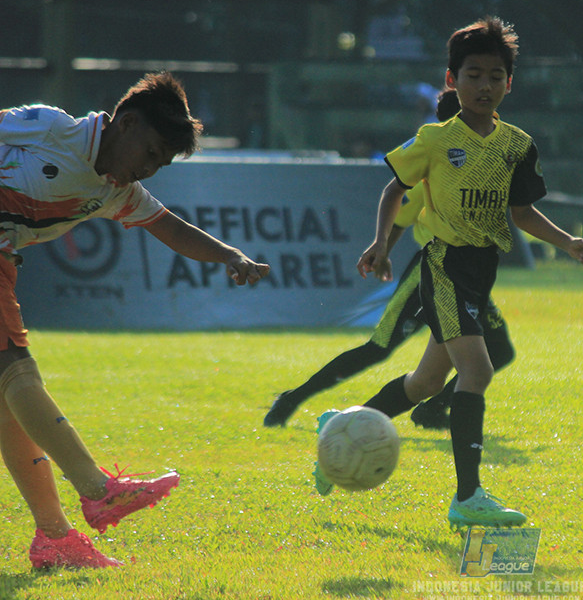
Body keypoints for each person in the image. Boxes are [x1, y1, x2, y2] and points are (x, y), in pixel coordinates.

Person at [0, 72, 269, 569]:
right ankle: (98, 490)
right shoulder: (49, 127)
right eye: (149, 153)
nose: (148, 169)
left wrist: (230, 255)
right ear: (125, 124)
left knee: (11, 405)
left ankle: (55, 539)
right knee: (14, 370)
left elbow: (171, 228)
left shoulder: (116, 191)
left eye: (160, 164)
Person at [355, 17, 583, 528]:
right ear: (452, 80)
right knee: (479, 370)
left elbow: (522, 213)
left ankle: (348, 427)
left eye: (494, 76)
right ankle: (467, 497)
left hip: (481, 272)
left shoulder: (516, 145)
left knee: (425, 382)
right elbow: (394, 189)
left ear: (510, 83)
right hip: (444, 265)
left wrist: (568, 242)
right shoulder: (435, 139)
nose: (484, 85)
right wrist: (380, 244)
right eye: (473, 75)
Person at [264, 89, 515, 432]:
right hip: (431, 272)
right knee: (379, 348)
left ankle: (432, 410)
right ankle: (293, 399)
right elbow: (399, 210)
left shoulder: (482, 159)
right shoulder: (437, 165)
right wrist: (381, 249)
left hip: (469, 277)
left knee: (499, 350)